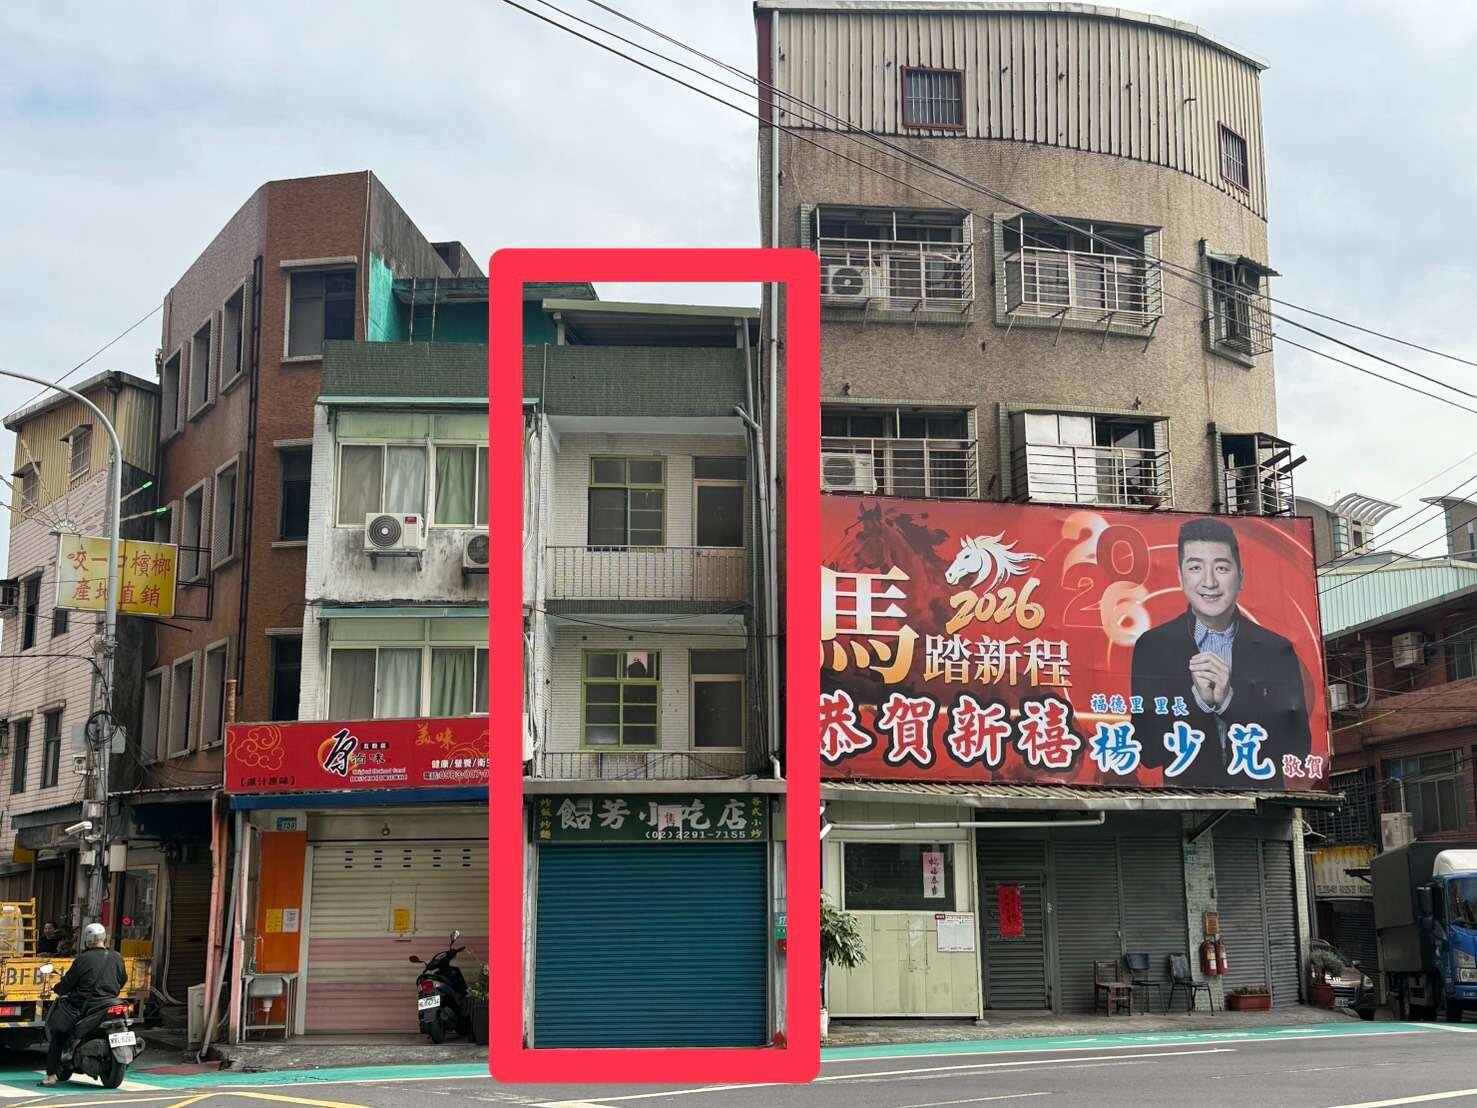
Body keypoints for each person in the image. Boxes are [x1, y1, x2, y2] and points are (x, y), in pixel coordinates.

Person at [1131, 517, 1312, 788]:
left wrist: (1229, 702)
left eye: (1222, 568)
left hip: (1261, 801)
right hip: (1186, 802)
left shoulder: (1277, 648)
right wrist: (1198, 703)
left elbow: (1298, 746)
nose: (1209, 581)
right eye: (1195, 567)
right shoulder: (1153, 646)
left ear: (1241, 577)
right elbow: (1147, 752)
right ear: (1180, 577)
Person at [39, 923, 127, 1087]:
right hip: (110, 1002)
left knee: (58, 1035)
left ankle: (51, 1077)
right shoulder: (117, 957)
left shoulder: (82, 959)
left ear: (87, 939)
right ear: (104, 938)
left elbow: (68, 982)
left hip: (84, 1005)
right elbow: (122, 980)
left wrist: (58, 988)